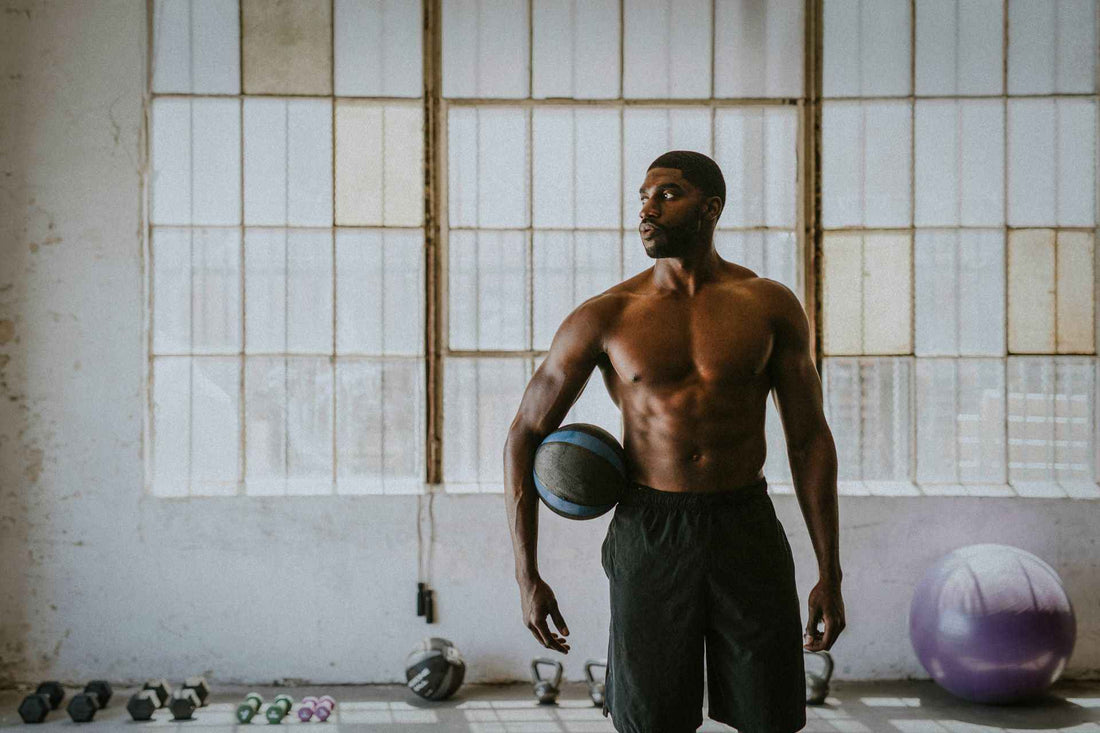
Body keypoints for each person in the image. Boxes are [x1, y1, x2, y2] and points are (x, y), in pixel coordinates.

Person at [504, 150, 844, 733]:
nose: (647, 209)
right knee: (651, 720)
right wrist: (526, 574)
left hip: (746, 523)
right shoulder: (607, 314)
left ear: (710, 208)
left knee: (772, 715)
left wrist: (830, 572)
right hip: (650, 529)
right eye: (643, 196)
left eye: (666, 194)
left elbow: (809, 438)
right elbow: (525, 434)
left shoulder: (768, 305)